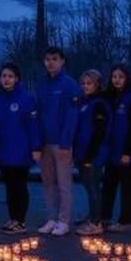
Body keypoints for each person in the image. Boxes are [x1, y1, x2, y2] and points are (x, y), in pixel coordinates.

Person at [35, 46, 81, 237]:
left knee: (64, 184)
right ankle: (52, 218)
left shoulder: (70, 85)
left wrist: (66, 143)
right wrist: (37, 142)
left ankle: (64, 221)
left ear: (62, 61)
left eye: (54, 58)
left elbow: (72, 115)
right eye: (47, 59)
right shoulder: (42, 84)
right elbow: (37, 114)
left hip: (61, 143)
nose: (50, 62)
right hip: (45, 142)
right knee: (48, 183)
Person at [0, 62, 41, 234]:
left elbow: (33, 125)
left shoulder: (26, 99)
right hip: (4, 151)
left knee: (20, 186)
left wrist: (36, 147)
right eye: (4, 76)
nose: (6, 79)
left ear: (17, 79)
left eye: (10, 76)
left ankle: (21, 221)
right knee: (9, 186)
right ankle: (12, 218)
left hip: (21, 151)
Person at [102, 64, 131, 232]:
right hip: (111, 151)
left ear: (127, 78)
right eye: (114, 77)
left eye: (121, 77)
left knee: (128, 187)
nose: (117, 80)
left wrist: (128, 152)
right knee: (108, 185)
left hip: (127, 151)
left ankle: (126, 221)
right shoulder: (109, 98)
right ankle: (104, 217)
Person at [73, 69, 111, 235]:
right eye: (83, 83)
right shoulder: (84, 102)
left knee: (94, 186)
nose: (86, 86)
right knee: (89, 186)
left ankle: (96, 222)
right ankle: (93, 215)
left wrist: (90, 155)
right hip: (82, 152)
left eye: (89, 83)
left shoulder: (99, 104)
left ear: (97, 84)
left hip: (94, 153)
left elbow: (99, 132)